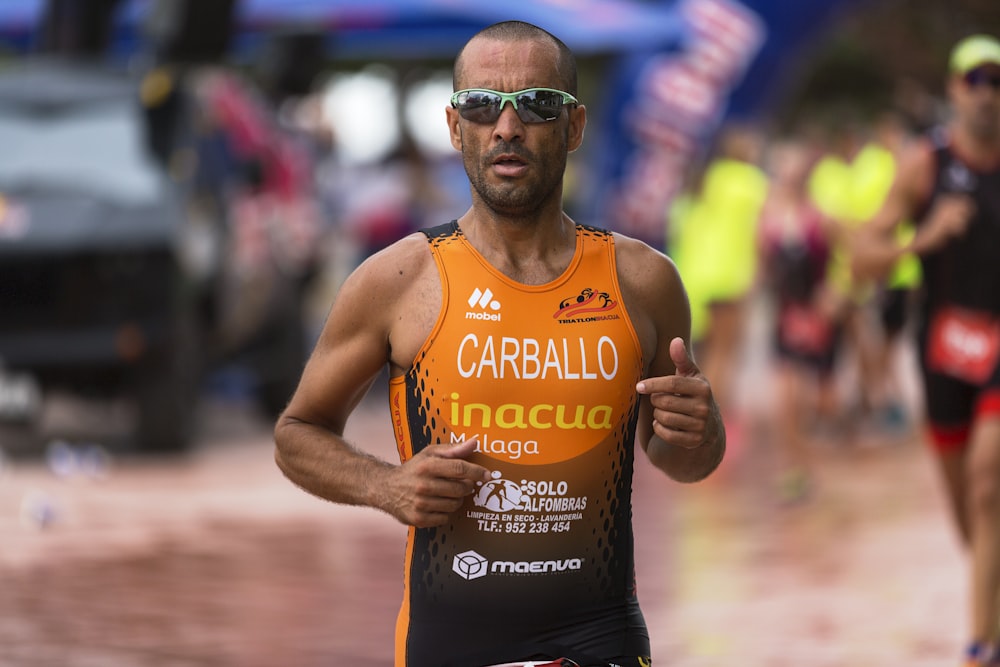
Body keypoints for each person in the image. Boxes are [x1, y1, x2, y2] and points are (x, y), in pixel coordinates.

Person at [273, 20, 726, 667]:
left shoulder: (644, 280)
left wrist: (702, 434)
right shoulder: (399, 278)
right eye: (482, 106)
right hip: (449, 641)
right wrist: (386, 485)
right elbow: (297, 433)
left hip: (599, 638)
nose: (506, 127)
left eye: (537, 105)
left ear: (574, 126)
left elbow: (682, 459)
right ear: (456, 128)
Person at [852, 34, 1000, 667]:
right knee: (967, 507)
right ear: (953, 90)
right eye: (976, 80)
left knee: (989, 483)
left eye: (999, 81)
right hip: (942, 351)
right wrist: (924, 240)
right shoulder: (925, 164)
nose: (988, 94)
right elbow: (862, 255)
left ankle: (979, 644)